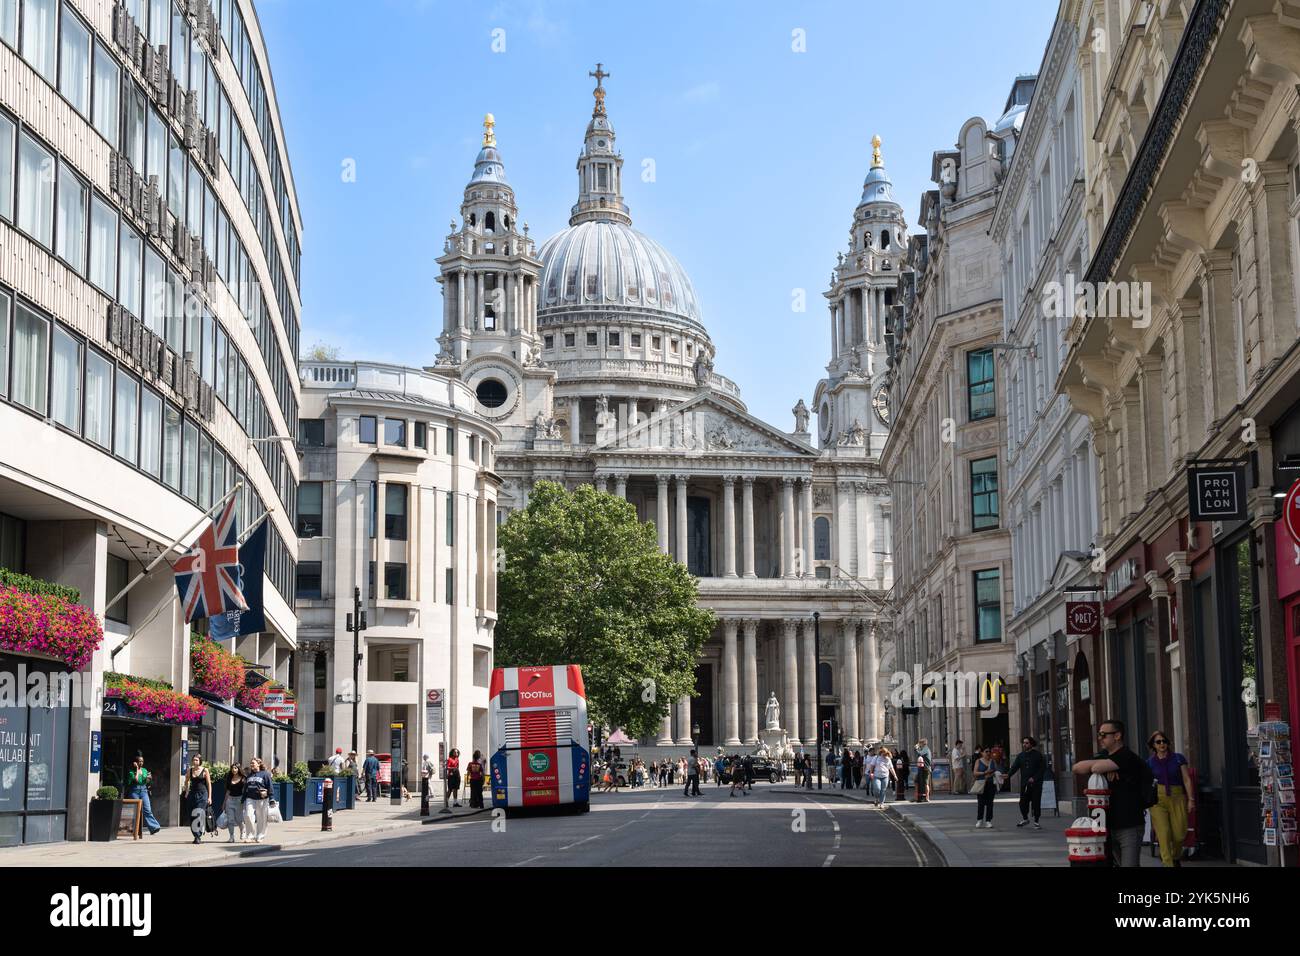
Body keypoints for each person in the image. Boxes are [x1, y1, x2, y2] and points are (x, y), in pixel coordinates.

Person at [1073, 719, 1148, 867]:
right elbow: (1077, 768)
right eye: (1099, 734)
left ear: (1117, 736)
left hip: (1129, 824)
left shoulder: (1127, 756)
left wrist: (1103, 766)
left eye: (1103, 735)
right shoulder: (1104, 756)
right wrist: (1107, 765)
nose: (1100, 738)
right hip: (1107, 824)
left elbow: (1095, 769)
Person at [1146, 730, 1193, 867]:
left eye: (1164, 741)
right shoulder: (1149, 762)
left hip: (1177, 796)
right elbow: (1146, 782)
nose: (1162, 744)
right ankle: (1167, 863)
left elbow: (1186, 779)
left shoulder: (1178, 758)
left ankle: (1175, 856)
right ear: (1153, 745)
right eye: (1158, 742)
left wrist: (1191, 799)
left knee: (1179, 834)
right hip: (1158, 800)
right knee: (1163, 833)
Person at [1006, 736, 1047, 829]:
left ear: (1031, 744)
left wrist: (1034, 778)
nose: (1024, 744)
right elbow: (1014, 767)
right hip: (1025, 784)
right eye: (1023, 743)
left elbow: (1042, 769)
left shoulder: (1038, 755)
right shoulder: (1020, 756)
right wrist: (1008, 775)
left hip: (1036, 784)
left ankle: (1036, 821)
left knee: (1036, 802)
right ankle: (1025, 818)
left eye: (1027, 743)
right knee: (1023, 802)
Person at [125, 754, 162, 835]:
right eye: (139, 761)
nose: (141, 763)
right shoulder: (131, 771)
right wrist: (137, 769)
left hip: (144, 790)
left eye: (142, 761)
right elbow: (137, 780)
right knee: (136, 811)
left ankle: (154, 827)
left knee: (147, 810)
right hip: (134, 790)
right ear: (135, 762)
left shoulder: (145, 770)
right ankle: (133, 830)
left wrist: (149, 778)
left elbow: (147, 781)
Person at [242, 758, 274, 843]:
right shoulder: (249, 775)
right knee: (248, 815)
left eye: (253, 763)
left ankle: (260, 836)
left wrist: (271, 798)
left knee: (261, 818)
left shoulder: (265, 774)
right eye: (251, 763)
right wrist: (243, 798)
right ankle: (250, 836)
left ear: (258, 764)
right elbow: (246, 788)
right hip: (250, 798)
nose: (251, 765)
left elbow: (270, 786)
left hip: (262, 799)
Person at [182, 753, 211, 844]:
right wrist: (186, 791)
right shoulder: (189, 770)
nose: (195, 762)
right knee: (192, 815)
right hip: (192, 794)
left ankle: (198, 836)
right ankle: (196, 835)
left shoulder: (205, 770)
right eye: (194, 760)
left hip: (203, 794)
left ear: (200, 761)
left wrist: (210, 797)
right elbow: (186, 781)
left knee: (198, 814)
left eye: (197, 760)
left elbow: (209, 784)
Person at [972, 746, 998, 828]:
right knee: (981, 803)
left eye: (989, 751)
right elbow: (975, 773)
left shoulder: (992, 761)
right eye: (986, 751)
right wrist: (984, 773)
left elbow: (996, 771)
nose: (988, 753)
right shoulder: (978, 761)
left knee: (990, 803)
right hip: (981, 784)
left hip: (991, 784)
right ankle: (979, 820)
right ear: (982, 753)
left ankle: (988, 821)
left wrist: (993, 773)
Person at [222, 763, 246, 843]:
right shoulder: (229, 778)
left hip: (239, 800)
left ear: (238, 769)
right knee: (230, 820)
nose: (233, 769)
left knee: (239, 820)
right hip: (230, 800)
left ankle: (243, 830)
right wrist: (224, 803)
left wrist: (244, 801)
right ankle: (231, 837)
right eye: (232, 768)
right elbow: (228, 791)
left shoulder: (243, 778)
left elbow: (244, 791)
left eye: (235, 768)